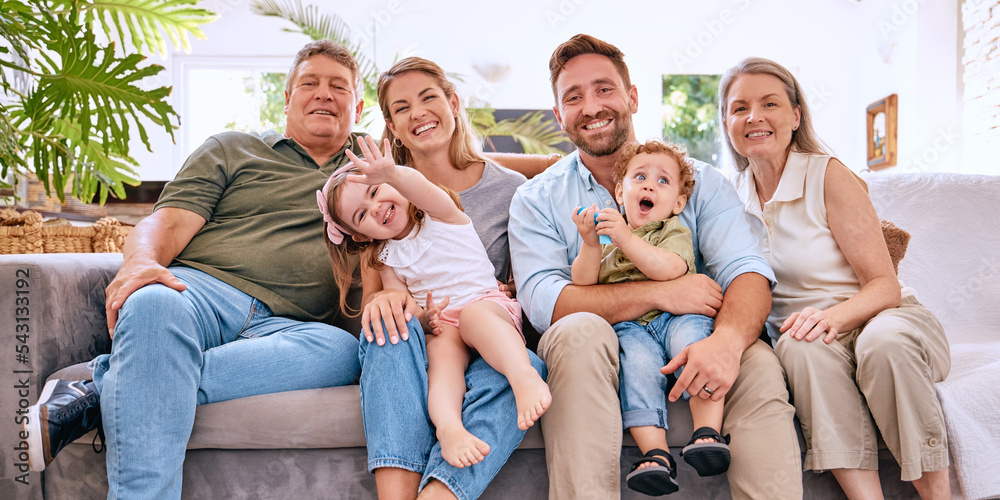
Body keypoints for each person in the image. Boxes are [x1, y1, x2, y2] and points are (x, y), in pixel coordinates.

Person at [21, 40, 365, 498]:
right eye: (310, 83)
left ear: (357, 106)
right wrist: (140, 263)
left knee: (343, 352)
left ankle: (102, 388)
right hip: (200, 294)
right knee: (153, 303)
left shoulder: (374, 172)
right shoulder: (232, 148)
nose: (324, 94)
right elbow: (168, 221)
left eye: (338, 86)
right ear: (286, 98)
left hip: (296, 325)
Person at [508, 34, 803, 499]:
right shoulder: (536, 199)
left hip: (693, 333)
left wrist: (725, 343)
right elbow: (548, 304)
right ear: (558, 116)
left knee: (756, 363)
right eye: (573, 97)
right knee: (576, 332)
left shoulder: (701, 181)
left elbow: (746, 271)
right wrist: (659, 292)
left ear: (633, 97)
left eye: (604, 89)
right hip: (604, 346)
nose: (591, 106)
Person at [720, 57, 952, 500]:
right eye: (739, 108)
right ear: (728, 122)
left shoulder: (828, 174)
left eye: (770, 103)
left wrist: (833, 318)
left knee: (881, 345)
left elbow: (883, 285)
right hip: (809, 335)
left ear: (795, 115)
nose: (754, 117)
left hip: (885, 316)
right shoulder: (729, 196)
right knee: (799, 346)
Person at [356, 56, 548, 500]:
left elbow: (530, 273)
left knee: (525, 365)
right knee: (393, 335)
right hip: (429, 334)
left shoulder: (510, 189)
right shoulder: (381, 203)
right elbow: (376, 297)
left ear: (453, 102)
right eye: (401, 108)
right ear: (392, 127)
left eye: (428, 97)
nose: (418, 112)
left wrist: (514, 287)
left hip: (486, 323)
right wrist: (391, 303)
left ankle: (442, 492)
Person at [319, 135, 551, 468]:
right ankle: (449, 429)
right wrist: (425, 320)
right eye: (362, 215)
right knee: (442, 359)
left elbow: (420, 188)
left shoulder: (441, 213)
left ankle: (523, 377)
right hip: (446, 323)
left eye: (375, 191)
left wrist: (393, 174)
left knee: (474, 317)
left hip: (486, 305)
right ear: (361, 235)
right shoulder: (386, 258)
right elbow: (406, 307)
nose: (377, 208)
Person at [570, 139, 728, 496]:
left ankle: (707, 432)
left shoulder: (672, 232)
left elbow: (668, 269)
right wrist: (591, 245)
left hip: (678, 317)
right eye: (639, 177)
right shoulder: (611, 246)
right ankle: (655, 455)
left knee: (696, 347)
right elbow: (583, 284)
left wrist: (624, 236)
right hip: (633, 328)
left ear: (678, 203)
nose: (648, 186)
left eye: (662, 182)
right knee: (637, 369)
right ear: (620, 193)